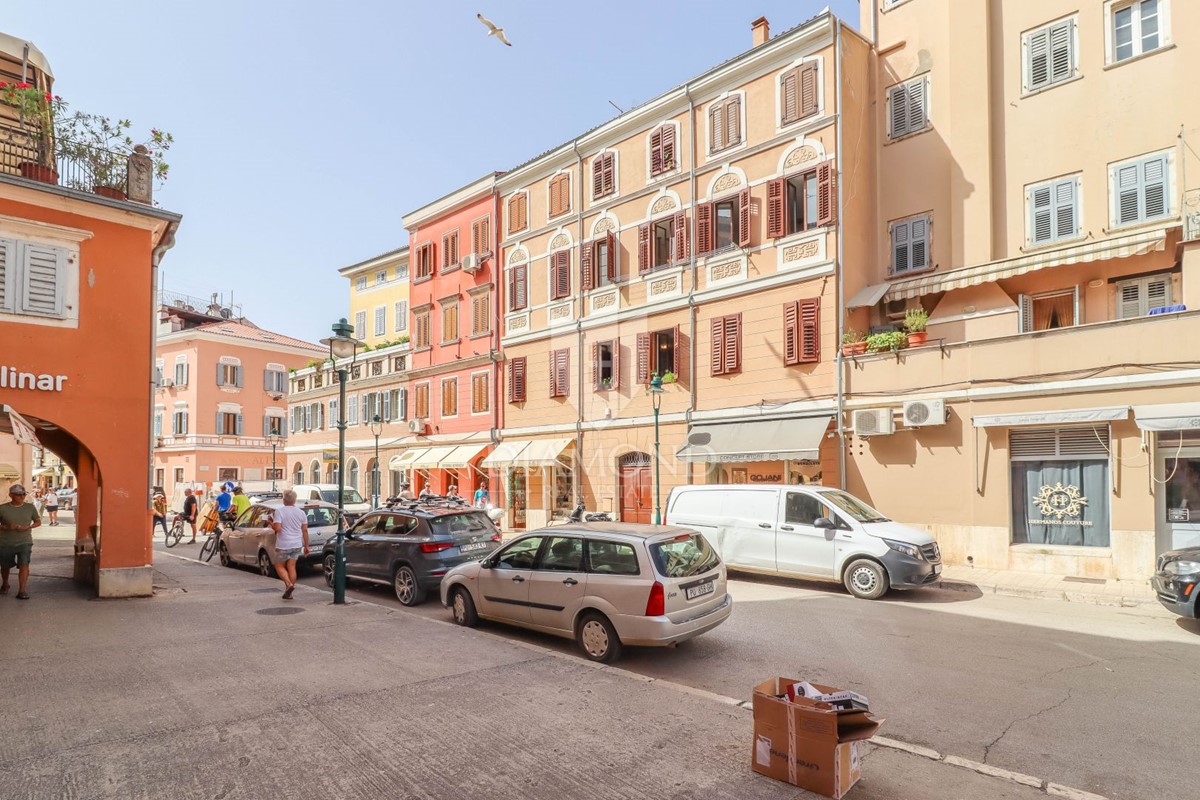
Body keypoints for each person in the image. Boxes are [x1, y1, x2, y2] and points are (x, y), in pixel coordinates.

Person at [0, 484, 41, 600]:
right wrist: (6, 527)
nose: (22, 496)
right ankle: (5, 583)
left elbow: (38, 521)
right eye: (18, 494)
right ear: (11, 495)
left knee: (24, 564)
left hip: (25, 541)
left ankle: (22, 591)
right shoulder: (2, 508)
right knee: (5, 566)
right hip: (5, 542)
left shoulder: (30, 507)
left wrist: (30, 527)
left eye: (23, 494)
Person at [267, 490, 309, 600]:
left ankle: (288, 584)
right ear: (294, 500)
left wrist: (270, 522)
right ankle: (289, 592)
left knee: (279, 566)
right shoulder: (301, 513)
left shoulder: (279, 512)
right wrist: (307, 546)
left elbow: (278, 529)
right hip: (296, 543)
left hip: (283, 544)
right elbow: (305, 530)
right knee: (291, 567)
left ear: (284, 500)